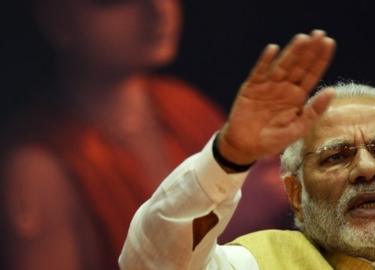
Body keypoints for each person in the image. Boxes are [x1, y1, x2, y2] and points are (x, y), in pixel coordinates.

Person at [118, 30, 375, 269]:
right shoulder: (256, 264)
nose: (367, 169)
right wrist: (230, 154)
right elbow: (152, 261)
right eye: (337, 156)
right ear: (295, 192)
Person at [1, 0, 288, 269]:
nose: (157, 9)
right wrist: (229, 224)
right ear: (57, 19)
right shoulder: (35, 168)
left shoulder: (184, 105)